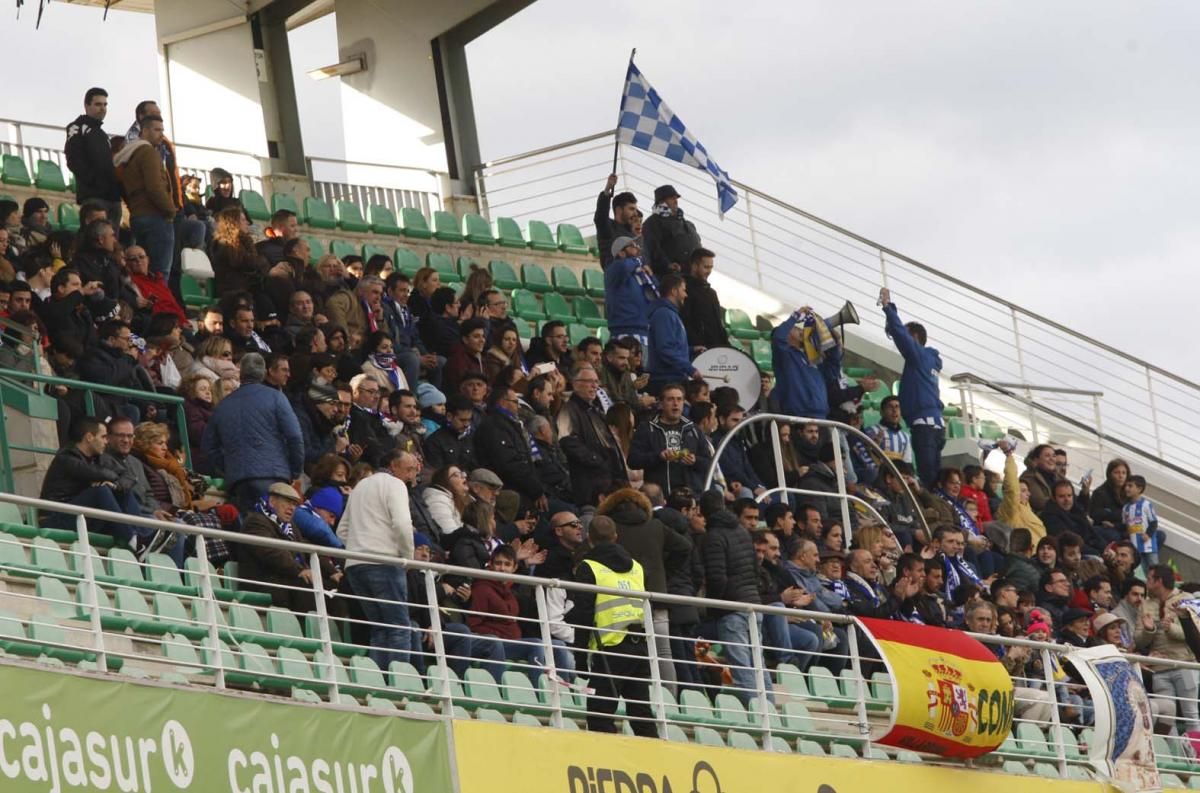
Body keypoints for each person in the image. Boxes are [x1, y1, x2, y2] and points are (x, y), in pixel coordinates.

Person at [571, 515, 658, 736]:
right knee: (641, 712)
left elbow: (583, 614)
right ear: (616, 537)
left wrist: (580, 657)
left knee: (600, 712)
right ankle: (655, 759)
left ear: (589, 538)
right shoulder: (636, 568)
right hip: (639, 646)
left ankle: (605, 760)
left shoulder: (588, 567)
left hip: (609, 647)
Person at [38, 417, 170, 556]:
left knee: (123, 492)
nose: (106, 442)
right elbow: (94, 472)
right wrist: (112, 481)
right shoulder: (66, 457)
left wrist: (116, 485)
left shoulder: (99, 457)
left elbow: (129, 477)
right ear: (89, 437)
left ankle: (141, 537)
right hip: (56, 518)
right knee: (101, 491)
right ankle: (134, 542)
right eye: (103, 437)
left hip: (82, 515)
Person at [337, 449, 417, 669]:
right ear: (393, 465)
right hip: (385, 563)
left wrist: (359, 547)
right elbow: (402, 525)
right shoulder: (395, 485)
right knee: (399, 627)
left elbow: (341, 530)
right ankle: (400, 685)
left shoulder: (361, 485)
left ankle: (379, 683)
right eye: (409, 469)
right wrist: (407, 558)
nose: (411, 476)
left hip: (355, 565)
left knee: (380, 628)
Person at [201, 353, 304, 514]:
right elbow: (295, 436)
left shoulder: (223, 405)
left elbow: (209, 446)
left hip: (239, 481)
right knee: (270, 529)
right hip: (273, 476)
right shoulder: (276, 398)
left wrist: (229, 466)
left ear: (241, 374)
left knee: (250, 530)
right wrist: (295, 470)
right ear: (263, 373)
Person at [238, 483, 342, 613]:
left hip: (288, 578)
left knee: (337, 588)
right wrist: (299, 570)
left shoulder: (290, 526)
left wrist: (332, 572)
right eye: (287, 502)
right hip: (266, 581)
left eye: (294, 504)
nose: (292, 508)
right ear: (272, 501)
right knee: (307, 586)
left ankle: (332, 632)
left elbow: (307, 549)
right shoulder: (256, 522)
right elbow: (272, 552)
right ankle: (307, 630)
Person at [699, 490, 762, 703]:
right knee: (757, 663)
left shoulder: (714, 536)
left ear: (702, 511)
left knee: (741, 666)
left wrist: (712, 611)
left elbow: (717, 579)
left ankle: (759, 711)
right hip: (754, 605)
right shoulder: (742, 531)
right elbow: (755, 569)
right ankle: (768, 707)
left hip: (732, 610)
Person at [877, 287, 943, 485]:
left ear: (914, 339)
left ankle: (932, 512)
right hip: (935, 425)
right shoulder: (930, 360)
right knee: (933, 475)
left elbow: (900, 335)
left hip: (924, 425)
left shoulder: (919, 358)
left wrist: (888, 308)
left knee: (928, 477)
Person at [1135, 565, 1198, 734]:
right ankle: (1173, 753)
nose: (1146, 583)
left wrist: (1171, 629)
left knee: (1190, 714)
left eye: (1149, 579)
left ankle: (1197, 754)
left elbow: (1195, 634)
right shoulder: (1145, 605)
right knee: (1166, 716)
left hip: (1184, 664)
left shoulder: (1187, 598)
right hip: (1159, 668)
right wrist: (1149, 631)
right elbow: (1138, 640)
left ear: (1159, 581)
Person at [113, 114, 177, 277]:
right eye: (157, 130)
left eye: (162, 130)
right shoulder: (148, 152)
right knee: (160, 272)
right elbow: (154, 187)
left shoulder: (129, 154)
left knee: (143, 273)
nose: (161, 134)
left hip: (138, 215)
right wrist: (171, 211)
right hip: (156, 216)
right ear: (145, 130)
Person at [556, 364, 626, 506]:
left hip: (606, 480)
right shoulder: (568, 409)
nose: (594, 386)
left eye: (596, 382)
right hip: (588, 484)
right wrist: (597, 460)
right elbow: (567, 442)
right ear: (575, 385)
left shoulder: (595, 411)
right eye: (589, 382)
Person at [628, 383, 711, 494]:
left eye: (679, 399)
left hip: (689, 496)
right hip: (658, 496)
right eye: (670, 399)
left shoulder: (693, 429)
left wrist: (695, 461)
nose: (675, 404)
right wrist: (658, 456)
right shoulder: (647, 428)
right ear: (661, 403)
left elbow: (709, 463)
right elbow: (633, 460)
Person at [475, 385, 546, 512]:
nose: (518, 406)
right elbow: (510, 463)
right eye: (515, 402)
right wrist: (536, 490)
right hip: (512, 492)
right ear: (503, 403)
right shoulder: (495, 426)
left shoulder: (509, 425)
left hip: (523, 490)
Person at [65, 88, 121, 224]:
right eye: (98, 104)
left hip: (112, 197)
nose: (102, 108)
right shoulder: (77, 127)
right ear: (86, 105)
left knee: (111, 241)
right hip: (94, 197)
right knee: (96, 239)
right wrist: (93, 181)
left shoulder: (102, 134)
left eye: (105, 104)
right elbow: (73, 159)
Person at [646, 275, 702, 393]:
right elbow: (665, 349)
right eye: (683, 290)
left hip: (672, 378)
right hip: (666, 380)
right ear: (673, 291)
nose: (686, 295)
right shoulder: (664, 314)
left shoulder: (670, 314)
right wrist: (690, 369)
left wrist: (691, 350)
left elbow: (672, 346)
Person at [604, 236, 659, 349]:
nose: (638, 249)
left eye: (637, 246)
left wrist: (651, 276)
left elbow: (658, 294)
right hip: (625, 333)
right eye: (633, 246)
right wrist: (639, 260)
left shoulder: (640, 272)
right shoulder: (614, 269)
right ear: (621, 253)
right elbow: (624, 267)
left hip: (646, 333)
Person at [640, 185, 701, 278]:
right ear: (661, 201)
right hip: (672, 278)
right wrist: (667, 265)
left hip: (693, 276)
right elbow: (652, 248)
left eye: (676, 198)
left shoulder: (687, 223)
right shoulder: (652, 222)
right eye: (672, 198)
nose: (676, 201)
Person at [594, 175, 637, 269]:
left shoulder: (632, 232)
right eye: (631, 209)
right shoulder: (608, 227)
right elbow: (601, 216)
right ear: (619, 210)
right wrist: (607, 189)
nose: (635, 213)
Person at [1123, 475, 1160, 567]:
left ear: (1139, 489)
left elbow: (1154, 522)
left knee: (1154, 568)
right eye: (1126, 486)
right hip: (1135, 546)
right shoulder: (1126, 508)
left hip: (1148, 545)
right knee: (1141, 570)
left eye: (1130, 486)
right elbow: (1125, 525)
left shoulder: (1146, 505)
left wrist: (1148, 534)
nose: (1127, 488)